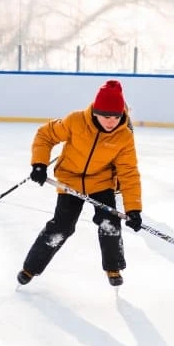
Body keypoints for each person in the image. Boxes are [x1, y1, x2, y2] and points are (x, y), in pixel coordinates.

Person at [17, 79, 142, 287]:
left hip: (101, 182)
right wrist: (39, 164)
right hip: (70, 180)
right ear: (95, 112)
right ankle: (31, 268)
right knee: (61, 227)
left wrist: (134, 209)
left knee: (109, 224)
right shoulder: (75, 121)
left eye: (116, 117)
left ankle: (113, 267)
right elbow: (45, 134)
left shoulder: (124, 136)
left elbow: (129, 173)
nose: (111, 122)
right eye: (106, 116)